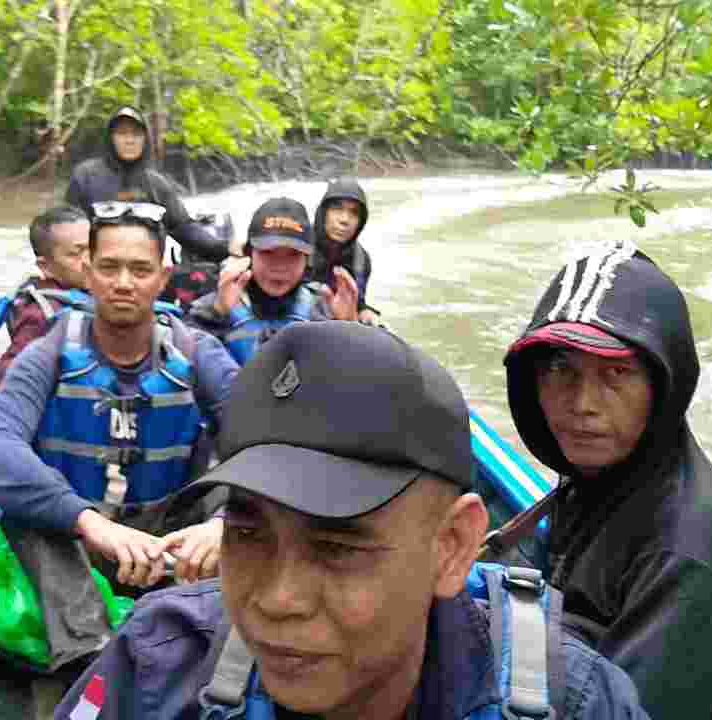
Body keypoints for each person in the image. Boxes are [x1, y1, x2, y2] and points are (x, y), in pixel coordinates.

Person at [53, 321, 650, 720]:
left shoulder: (580, 704)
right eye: (246, 532)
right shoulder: (159, 663)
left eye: (337, 547)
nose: (277, 600)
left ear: (451, 547)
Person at [496, 239, 712, 719]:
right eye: (560, 369)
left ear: (663, 387)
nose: (583, 402)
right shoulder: (600, 476)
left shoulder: (695, 550)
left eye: (616, 373)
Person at [0, 200, 242, 671]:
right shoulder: (47, 354)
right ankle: (87, 659)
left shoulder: (199, 354)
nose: (123, 282)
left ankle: (209, 637)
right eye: (109, 267)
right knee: (28, 515)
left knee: (245, 494)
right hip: (80, 536)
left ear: (163, 277)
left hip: (170, 535)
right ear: (89, 272)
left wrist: (222, 524)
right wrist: (91, 524)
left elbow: (265, 436)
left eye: (140, 269)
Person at [186, 197, 360, 366]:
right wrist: (216, 315)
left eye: (293, 254)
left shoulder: (325, 311)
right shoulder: (213, 307)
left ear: (307, 260)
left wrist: (350, 329)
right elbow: (184, 357)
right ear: (249, 254)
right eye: (268, 252)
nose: (280, 266)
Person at [66, 107, 231, 264]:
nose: (129, 140)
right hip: (98, 269)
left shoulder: (156, 184)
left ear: (145, 139)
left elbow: (184, 228)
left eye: (136, 134)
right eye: (122, 133)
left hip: (144, 272)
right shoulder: (86, 176)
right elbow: (69, 227)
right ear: (110, 138)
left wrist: (226, 250)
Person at [0, 205, 92, 389]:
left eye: (93, 248)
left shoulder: (98, 288)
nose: (89, 261)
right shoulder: (41, 314)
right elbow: (4, 379)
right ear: (46, 266)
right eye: (76, 253)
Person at [308, 178, 381, 325]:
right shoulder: (297, 244)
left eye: (354, 213)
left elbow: (359, 304)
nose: (345, 220)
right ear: (324, 213)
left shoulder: (361, 260)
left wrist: (364, 312)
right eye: (337, 208)